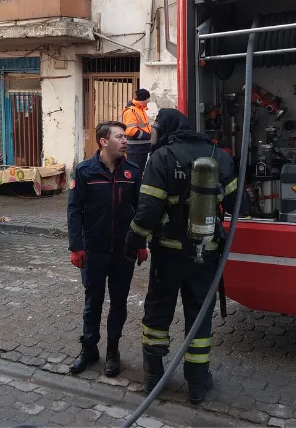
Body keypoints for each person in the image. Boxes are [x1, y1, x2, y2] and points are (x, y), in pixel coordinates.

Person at [123, 108, 247, 404]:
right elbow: (238, 202)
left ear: (167, 128)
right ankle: (198, 384)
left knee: (157, 313)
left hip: (169, 254)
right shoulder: (219, 155)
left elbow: (149, 209)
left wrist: (133, 238)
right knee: (200, 317)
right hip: (207, 254)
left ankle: (153, 377)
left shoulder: (162, 157)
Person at [67, 121, 146, 377]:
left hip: (123, 252)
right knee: (93, 303)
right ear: (103, 141)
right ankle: (89, 349)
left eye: (125, 137)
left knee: (119, 303)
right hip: (94, 251)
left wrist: (141, 243)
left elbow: (140, 212)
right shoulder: (84, 171)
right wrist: (76, 247)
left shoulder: (132, 171)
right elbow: (74, 211)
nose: (125, 141)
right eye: (120, 137)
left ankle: (113, 351)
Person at [121, 88, 153, 177]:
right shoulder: (131, 111)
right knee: (134, 173)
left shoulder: (141, 109)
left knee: (139, 173)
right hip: (135, 149)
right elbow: (131, 130)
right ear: (143, 100)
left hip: (142, 148)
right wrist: (146, 136)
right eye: (147, 100)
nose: (148, 101)